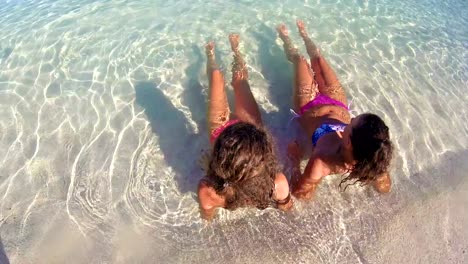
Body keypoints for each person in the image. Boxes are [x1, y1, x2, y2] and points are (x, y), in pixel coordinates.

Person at [277, 21, 393, 200]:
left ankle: (285, 38)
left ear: (348, 141)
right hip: (337, 101)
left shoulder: (322, 161)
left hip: (309, 104)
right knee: (318, 58)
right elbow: (385, 186)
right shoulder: (375, 154)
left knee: (299, 60)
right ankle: (304, 34)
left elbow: (301, 194)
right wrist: (374, 177)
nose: (350, 120)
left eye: (352, 123)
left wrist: (294, 160)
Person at [197, 34, 293, 220]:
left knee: (218, 78)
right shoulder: (278, 184)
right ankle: (235, 51)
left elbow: (207, 219)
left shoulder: (208, 192)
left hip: (224, 129)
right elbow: (287, 208)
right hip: (240, 129)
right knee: (239, 81)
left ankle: (212, 55)